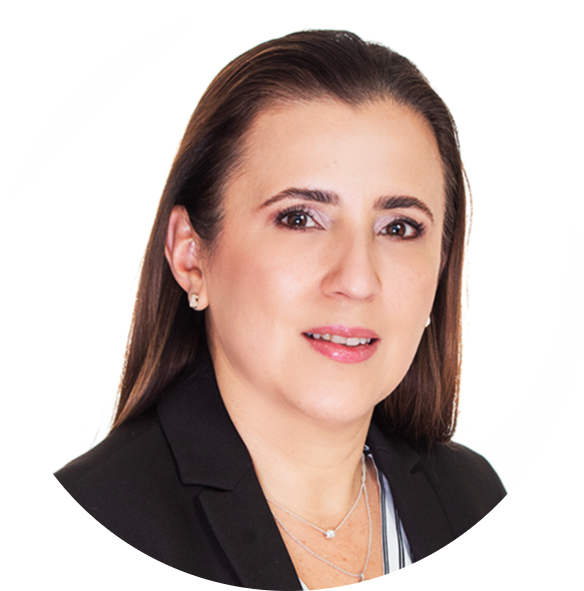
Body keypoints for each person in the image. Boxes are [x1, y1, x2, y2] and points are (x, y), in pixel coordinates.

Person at [55, 30, 506, 589]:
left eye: (399, 228)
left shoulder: (471, 496)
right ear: (191, 256)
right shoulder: (102, 511)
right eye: (299, 218)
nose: (357, 280)